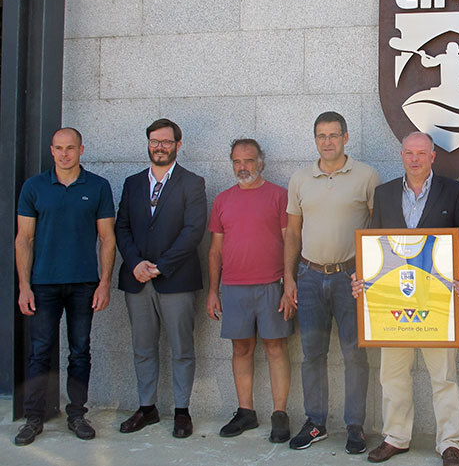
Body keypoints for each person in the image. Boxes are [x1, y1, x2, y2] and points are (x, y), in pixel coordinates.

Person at [352, 131, 459, 466]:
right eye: (409, 152)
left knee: (444, 376)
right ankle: (395, 438)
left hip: (437, 301)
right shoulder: (385, 193)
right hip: (392, 301)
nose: (415, 159)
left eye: (421, 153)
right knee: (392, 374)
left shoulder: (454, 192)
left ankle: (450, 443)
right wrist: (362, 277)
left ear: (433, 156)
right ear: (401, 155)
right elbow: (374, 244)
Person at [284, 111, 380, 453]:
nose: (327, 142)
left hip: (350, 278)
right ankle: (315, 423)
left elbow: (378, 228)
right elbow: (292, 233)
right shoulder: (300, 179)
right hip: (309, 277)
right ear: (315, 139)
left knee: (355, 355)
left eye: (334, 135)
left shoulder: (367, 176)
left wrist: (368, 274)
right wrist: (289, 278)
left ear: (345, 138)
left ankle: (355, 426)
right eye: (321, 136)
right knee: (312, 354)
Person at [14, 128, 116, 445]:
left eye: (70, 148)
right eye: (58, 148)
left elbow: (107, 239)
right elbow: (24, 239)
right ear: (51, 150)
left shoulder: (98, 186)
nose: (64, 154)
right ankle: (33, 418)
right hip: (43, 284)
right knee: (39, 352)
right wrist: (24, 286)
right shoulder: (34, 187)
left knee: (80, 351)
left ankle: (77, 415)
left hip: (84, 283)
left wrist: (104, 283)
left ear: (81, 150)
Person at [115, 118, 207, 438]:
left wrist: (161, 266)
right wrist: (135, 263)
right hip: (137, 280)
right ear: (148, 144)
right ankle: (147, 408)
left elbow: (193, 231)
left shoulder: (192, 183)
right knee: (143, 347)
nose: (160, 147)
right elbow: (121, 227)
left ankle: (182, 411)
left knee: (182, 348)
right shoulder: (132, 183)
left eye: (166, 142)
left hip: (176, 279)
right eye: (154, 141)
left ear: (178, 145)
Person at [206, 138, 294, 442]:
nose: (243, 166)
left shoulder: (279, 196)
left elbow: (290, 242)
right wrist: (213, 291)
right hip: (233, 287)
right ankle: (246, 412)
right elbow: (215, 250)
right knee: (241, 349)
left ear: (261, 162)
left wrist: (289, 283)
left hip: (272, 285)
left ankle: (279, 413)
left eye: (249, 160)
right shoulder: (222, 200)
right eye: (237, 161)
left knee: (275, 347)